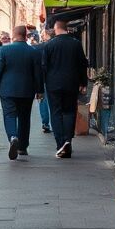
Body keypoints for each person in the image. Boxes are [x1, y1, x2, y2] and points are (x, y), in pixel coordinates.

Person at [0, 24, 43, 160]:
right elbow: (38, 73)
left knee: (9, 115)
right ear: (26, 36)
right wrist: (40, 90)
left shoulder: (4, 51)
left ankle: (13, 137)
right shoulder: (33, 51)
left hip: (7, 90)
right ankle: (22, 147)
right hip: (27, 90)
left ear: (14, 35)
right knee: (24, 118)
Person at [39, 16, 89, 158]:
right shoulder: (76, 44)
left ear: (56, 29)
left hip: (53, 84)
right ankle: (68, 140)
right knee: (69, 112)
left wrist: (42, 86)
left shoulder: (49, 45)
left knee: (55, 113)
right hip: (71, 83)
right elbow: (82, 64)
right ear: (66, 29)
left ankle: (60, 143)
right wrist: (83, 83)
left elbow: (44, 67)